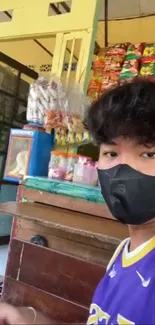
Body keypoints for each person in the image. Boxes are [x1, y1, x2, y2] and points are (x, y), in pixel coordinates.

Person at [1, 79, 155, 324]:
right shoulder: (124, 252)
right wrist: (29, 318)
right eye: (111, 153)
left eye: (148, 153)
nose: (122, 170)